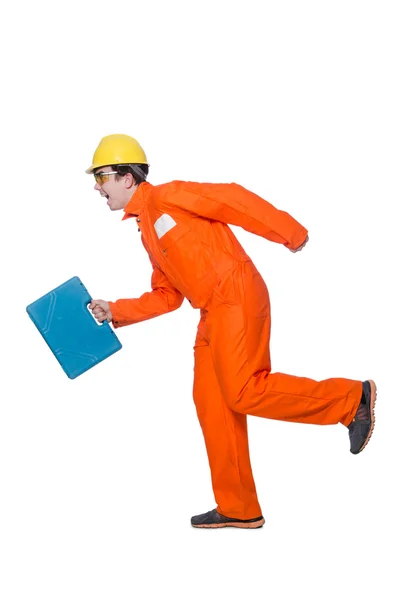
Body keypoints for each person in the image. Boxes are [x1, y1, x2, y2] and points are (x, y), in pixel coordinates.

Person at [87, 133, 377, 530]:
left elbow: (230, 198)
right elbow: (168, 295)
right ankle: (239, 507)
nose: (97, 187)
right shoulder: (148, 231)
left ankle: (348, 399)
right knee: (212, 402)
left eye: (101, 177)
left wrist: (288, 231)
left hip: (236, 294)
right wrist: (115, 310)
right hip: (211, 311)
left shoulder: (166, 197)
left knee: (244, 390)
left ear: (126, 177)